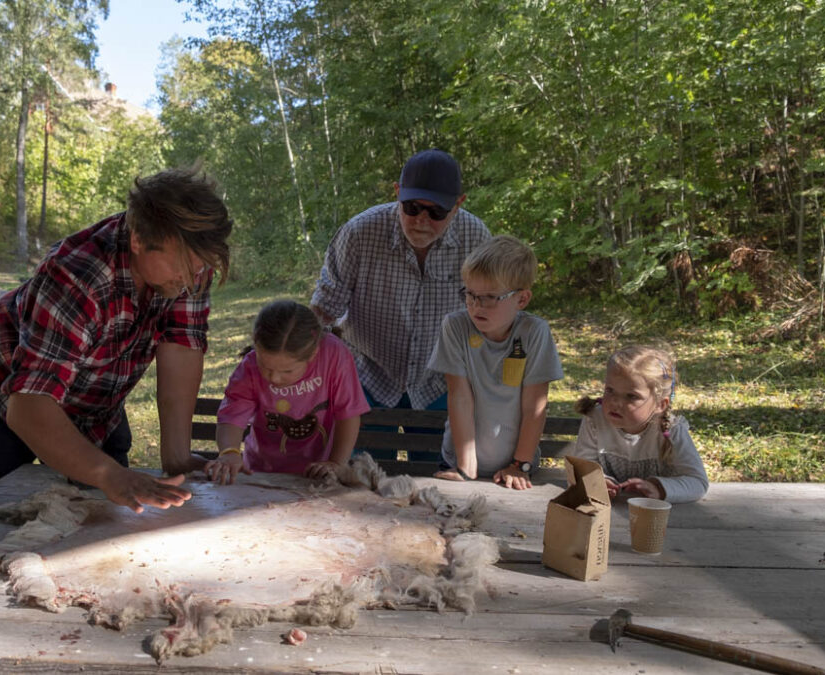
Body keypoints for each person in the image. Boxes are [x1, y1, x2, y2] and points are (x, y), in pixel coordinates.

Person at [0, 166, 232, 512]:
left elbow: (181, 349)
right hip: (0, 378)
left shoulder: (189, 268)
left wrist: (176, 458)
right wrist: (108, 474)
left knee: (107, 517)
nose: (193, 279)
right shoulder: (78, 274)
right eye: (183, 266)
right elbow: (28, 407)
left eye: (202, 266)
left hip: (95, 394)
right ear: (138, 240)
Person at [310, 149, 491, 418]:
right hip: (366, 377)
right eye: (412, 207)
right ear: (397, 192)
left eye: (437, 212)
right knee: (365, 461)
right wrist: (287, 354)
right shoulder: (359, 233)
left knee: (436, 461)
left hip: (442, 382)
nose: (421, 220)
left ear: (459, 203)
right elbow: (324, 308)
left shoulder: (476, 239)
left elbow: (489, 312)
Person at [428, 235, 563, 489]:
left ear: (521, 299)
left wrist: (519, 465)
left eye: (489, 297)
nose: (476, 306)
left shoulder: (534, 332)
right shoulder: (455, 326)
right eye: (470, 295)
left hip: (515, 468)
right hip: (459, 463)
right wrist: (466, 469)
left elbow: (535, 407)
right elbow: (459, 397)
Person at [205, 300, 370, 485]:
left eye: (287, 371)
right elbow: (232, 417)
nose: (274, 378)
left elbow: (348, 414)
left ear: (313, 353)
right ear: (256, 344)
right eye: (265, 367)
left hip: (318, 477)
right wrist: (229, 453)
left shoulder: (334, 355)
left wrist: (336, 463)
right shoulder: (249, 368)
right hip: (261, 473)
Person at [571, 345, 709, 503]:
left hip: (660, 517)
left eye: (631, 396)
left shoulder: (672, 430)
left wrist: (659, 488)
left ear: (660, 405)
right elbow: (581, 468)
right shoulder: (595, 419)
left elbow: (698, 482)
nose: (616, 402)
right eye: (610, 390)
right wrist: (597, 483)